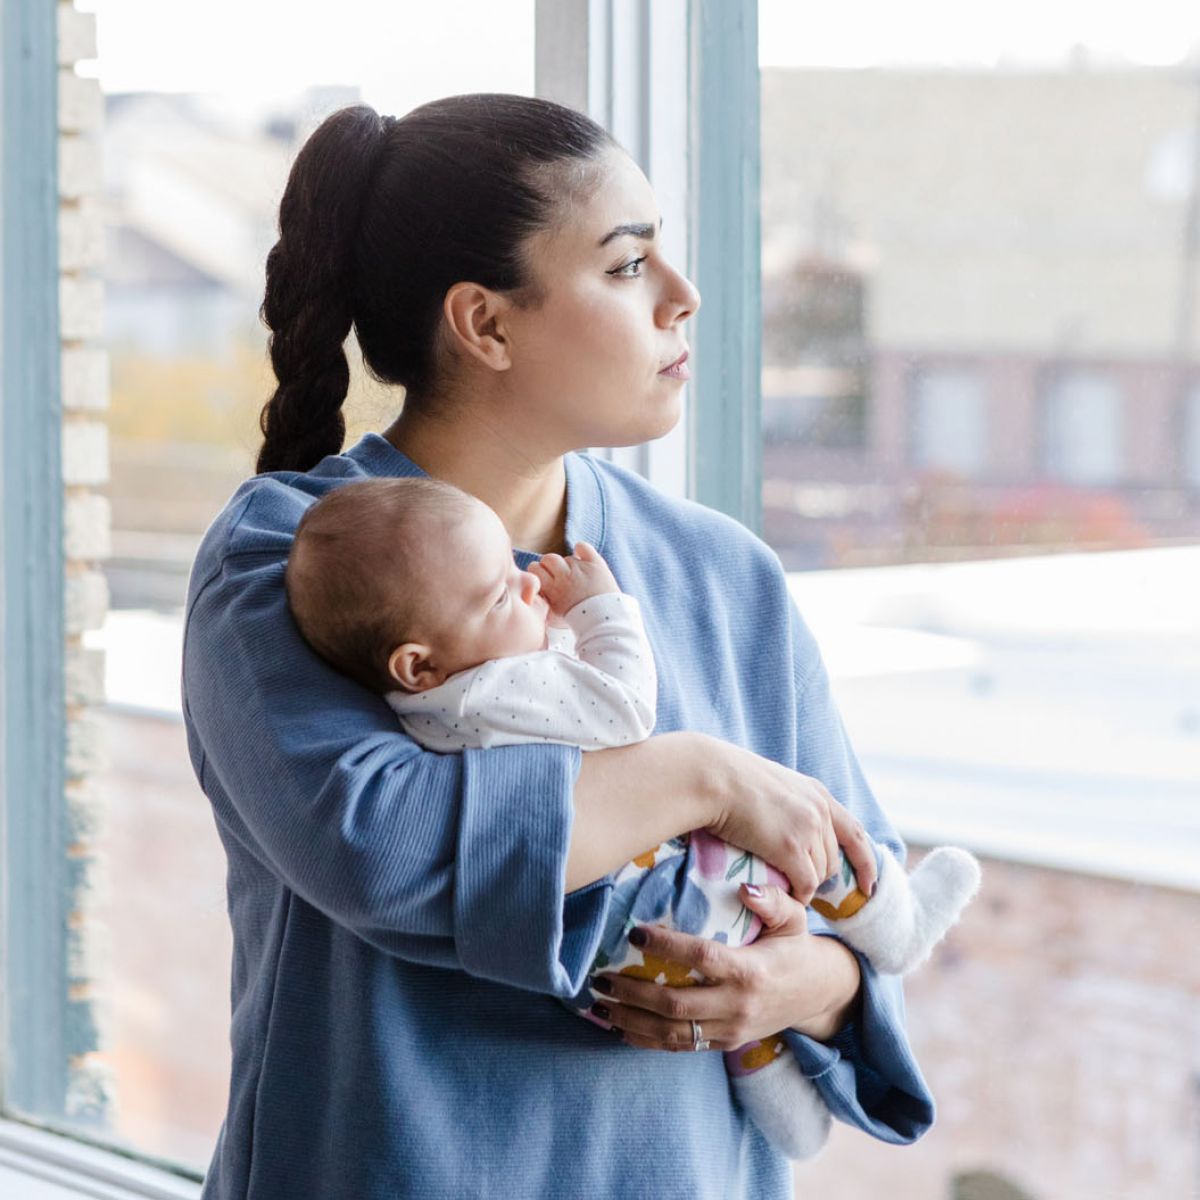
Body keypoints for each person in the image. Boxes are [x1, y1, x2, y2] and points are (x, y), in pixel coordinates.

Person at [182, 93, 936, 1200]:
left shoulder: (725, 577)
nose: (682, 299)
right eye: (628, 267)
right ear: (485, 323)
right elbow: (386, 849)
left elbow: (868, 905)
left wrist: (795, 987)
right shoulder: (286, 559)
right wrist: (700, 776)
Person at [282, 475, 981, 1161]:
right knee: (805, 848)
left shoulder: (424, 691)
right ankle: (900, 920)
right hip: (670, 914)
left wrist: (814, 984)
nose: (528, 582)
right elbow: (620, 708)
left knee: (758, 925)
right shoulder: (302, 553)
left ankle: (779, 1077)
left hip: (609, 971)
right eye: (503, 593)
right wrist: (602, 615)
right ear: (416, 665)